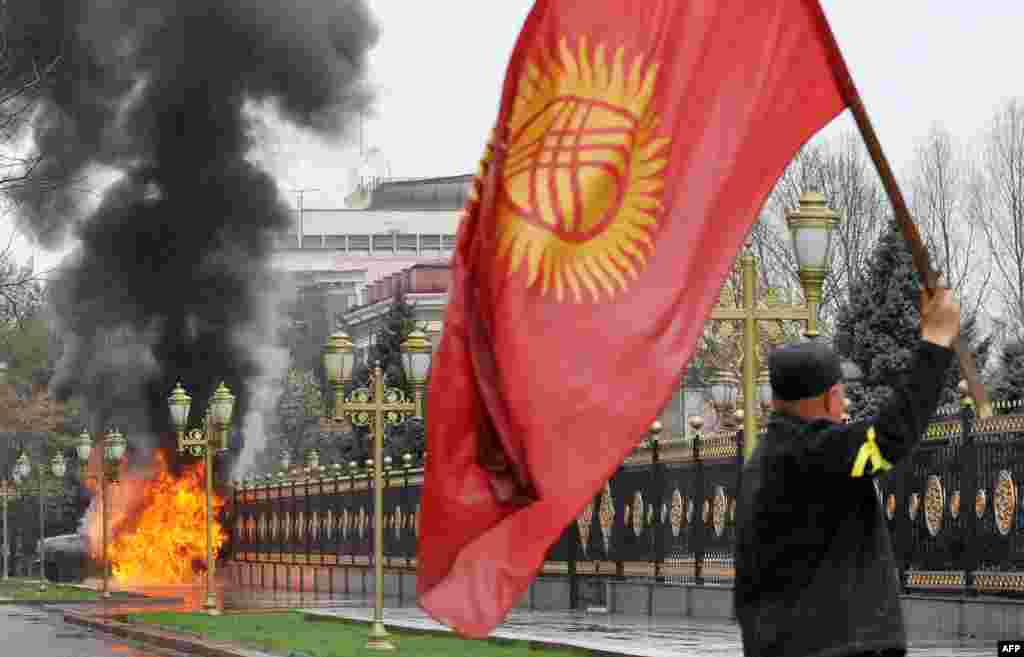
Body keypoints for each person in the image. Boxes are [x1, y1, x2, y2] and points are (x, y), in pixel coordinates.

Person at [734, 287, 960, 657]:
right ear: (829, 397)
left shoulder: (766, 459)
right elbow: (892, 435)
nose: (845, 406)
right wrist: (935, 344)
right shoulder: (812, 452)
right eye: (842, 395)